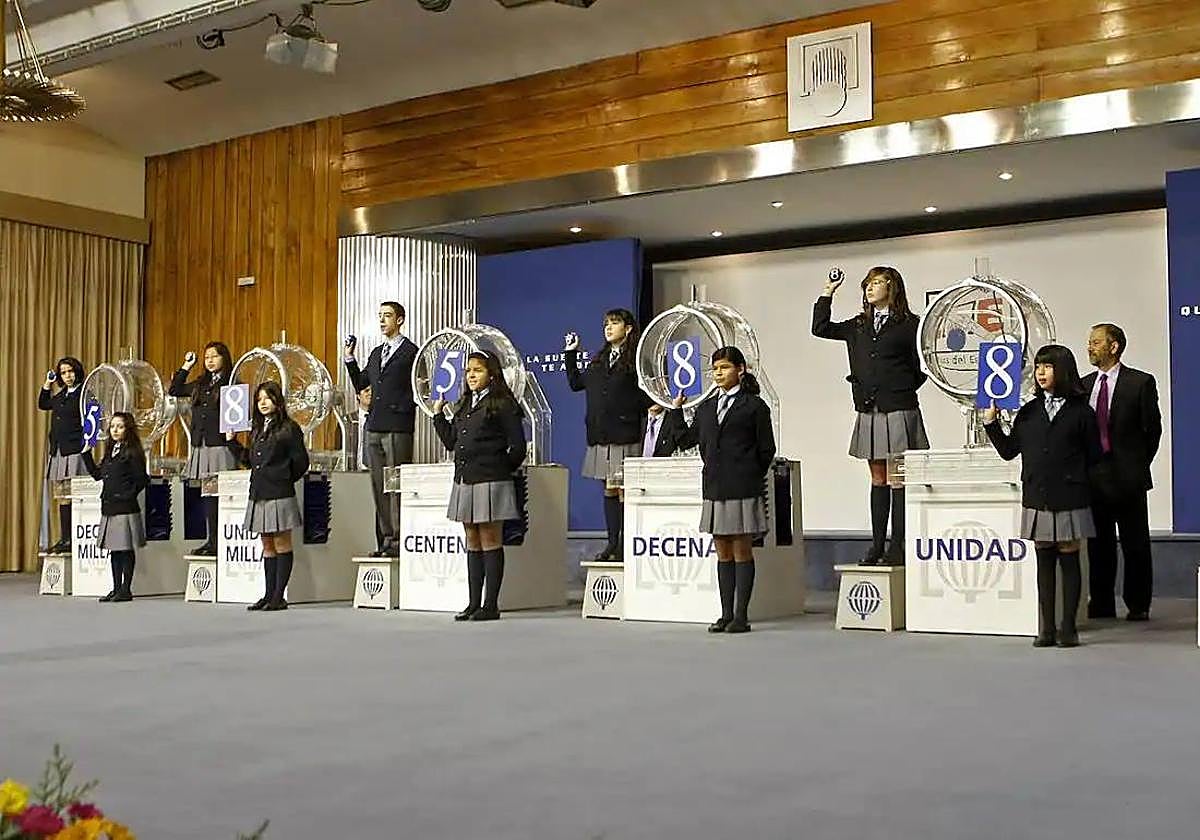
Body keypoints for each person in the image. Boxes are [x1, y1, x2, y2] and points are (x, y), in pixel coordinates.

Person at [984, 345, 1102, 648]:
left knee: (1070, 559)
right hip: (1037, 495)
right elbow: (1009, 451)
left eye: (1047, 367)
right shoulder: (1029, 412)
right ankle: (1046, 628)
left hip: (1070, 495)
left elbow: (1095, 457)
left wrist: (1079, 483)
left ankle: (1068, 627)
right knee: (1044, 562)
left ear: (1063, 370)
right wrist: (991, 424)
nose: (1040, 372)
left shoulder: (1082, 412)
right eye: (1038, 367)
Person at [812, 267, 929, 565]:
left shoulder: (910, 324)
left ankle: (898, 545)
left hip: (899, 406)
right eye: (867, 284)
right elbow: (821, 328)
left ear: (892, 287)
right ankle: (877, 544)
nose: (870, 288)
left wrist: (899, 387)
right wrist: (828, 292)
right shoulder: (858, 325)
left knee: (898, 478)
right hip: (869, 407)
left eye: (877, 282)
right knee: (878, 477)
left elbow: (921, 368)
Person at [669, 346, 776, 634]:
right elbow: (686, 440)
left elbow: (766, 449)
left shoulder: (754, 406)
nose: (718, 373)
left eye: (725, 367)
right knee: (722, 551)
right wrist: (676, 411)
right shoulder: (706, 408)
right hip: (715, 486)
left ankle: (741, 616)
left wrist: (748, 473)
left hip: (742, 486)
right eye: (715, 369)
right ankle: (725, 614)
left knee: (741, 549)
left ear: (740, 369)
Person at [432, 351, 527, 622]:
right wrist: (438, 415)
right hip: (465, 478)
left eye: (478, 370)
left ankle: (490, 605)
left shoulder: (503, 403)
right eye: (468, 371)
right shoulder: (465, 403)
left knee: (489, 538)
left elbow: (518, 447)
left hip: (491, 479)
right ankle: (473, 603)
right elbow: (452, 441)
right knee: (472, 539)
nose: (471, 375)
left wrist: (499, 469)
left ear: (492, 374)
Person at [1082, 323, 1162, 621]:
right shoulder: (1083, 385)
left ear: (1113, 346)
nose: (1089, 347)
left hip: (1129, 478)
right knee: (1098, 545)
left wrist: (1136, 465)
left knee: (1135, 544)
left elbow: (1152, 431)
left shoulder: (1140, 383)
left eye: (1096, 342)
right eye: (1089, 342)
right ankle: (1101, 602)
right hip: (1094, 479)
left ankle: (1138, 604)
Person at [564, 308, 652, 562]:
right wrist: (570, 353)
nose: (609, 328)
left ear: (628, 328)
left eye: (615, 323)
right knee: (609, 490)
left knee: (624, 489)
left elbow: (648, 394)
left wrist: (630, 409)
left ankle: (626, 544)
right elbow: (576, 383)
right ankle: (612, 543)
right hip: (600, 434)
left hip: (625, 433)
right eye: (606, 324)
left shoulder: (637, 359)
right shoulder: (599, 360)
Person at [345, 301, 417, 557]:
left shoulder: (410, 351)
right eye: (380, 316)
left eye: (387, 315)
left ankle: (398, 539)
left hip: (397, 426)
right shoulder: (377, 353)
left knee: (394, 485)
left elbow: (420, 385)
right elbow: (362, 382)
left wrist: (402, 406)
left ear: (400, 320)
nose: (382, 320)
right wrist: (349, 358)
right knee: (378, 485)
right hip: (374, 425)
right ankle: (385, 539)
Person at [230, 381, 310, 612]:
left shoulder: (289, 428)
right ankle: (268, 594)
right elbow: (249, 460)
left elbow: (301, 462)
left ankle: (279, 596)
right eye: (259, 399)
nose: (263, 403)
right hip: (259, 492)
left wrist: (283, 477)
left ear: (277, 400)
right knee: (267, 544)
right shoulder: (257, 428)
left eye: (267, 398)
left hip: (279, 492)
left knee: (281, 542)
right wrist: (232, 442)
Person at [169, 342, 237, 556]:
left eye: (214, 356)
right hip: (202, 444)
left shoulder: (232, 382)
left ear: (224, 358)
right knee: (208, 495)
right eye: (207, 357)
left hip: (220, 445)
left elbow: (238, 413)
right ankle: (212, 540)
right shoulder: (201, 383)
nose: (210, 360)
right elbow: (175, 389)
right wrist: (187, 365)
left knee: (221, 495)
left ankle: (221, 541)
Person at [81, 412, 149, 603]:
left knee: (125, 549)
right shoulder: (111, 451)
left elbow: (142, 479)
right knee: (114, 550)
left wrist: (127, 494)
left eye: (120, 426)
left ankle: (126, 589)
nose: (115, 430)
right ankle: (116, 588)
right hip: (109, 506)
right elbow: (97, 474)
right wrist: (86, 453)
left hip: (125, 507)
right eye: (112, 426)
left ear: (128, 429)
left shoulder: (132, 452)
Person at [39, 356, 87, 554]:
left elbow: (94, 420)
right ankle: (66, 538)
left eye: (70, 371)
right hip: (59, 450)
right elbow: (43, 403)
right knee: (62, 496)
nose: (67, 376)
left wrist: (88, 446)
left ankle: (76, 538)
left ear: (77, 372)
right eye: (63, 373)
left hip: (75, 450)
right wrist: (47, 383)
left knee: (76, 495)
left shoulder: (85, 393)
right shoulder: (61, 396)